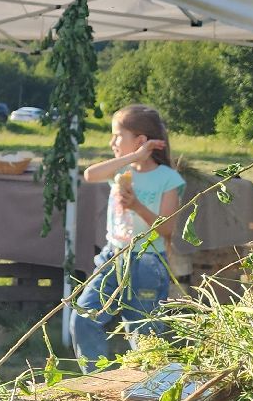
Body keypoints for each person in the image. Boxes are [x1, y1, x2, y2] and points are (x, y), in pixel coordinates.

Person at [69, 104, 184, 367]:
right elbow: (90, 174)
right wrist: (133, 157)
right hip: (113, 256)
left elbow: (166, 229)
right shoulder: (121, 171)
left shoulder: (168, 179)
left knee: (144, 335)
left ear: (140, 140)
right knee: (83, 319)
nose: (112, 142)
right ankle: (97, 382)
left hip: (147, 261)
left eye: (117, 136)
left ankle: (147, 391)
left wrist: (137, 207)